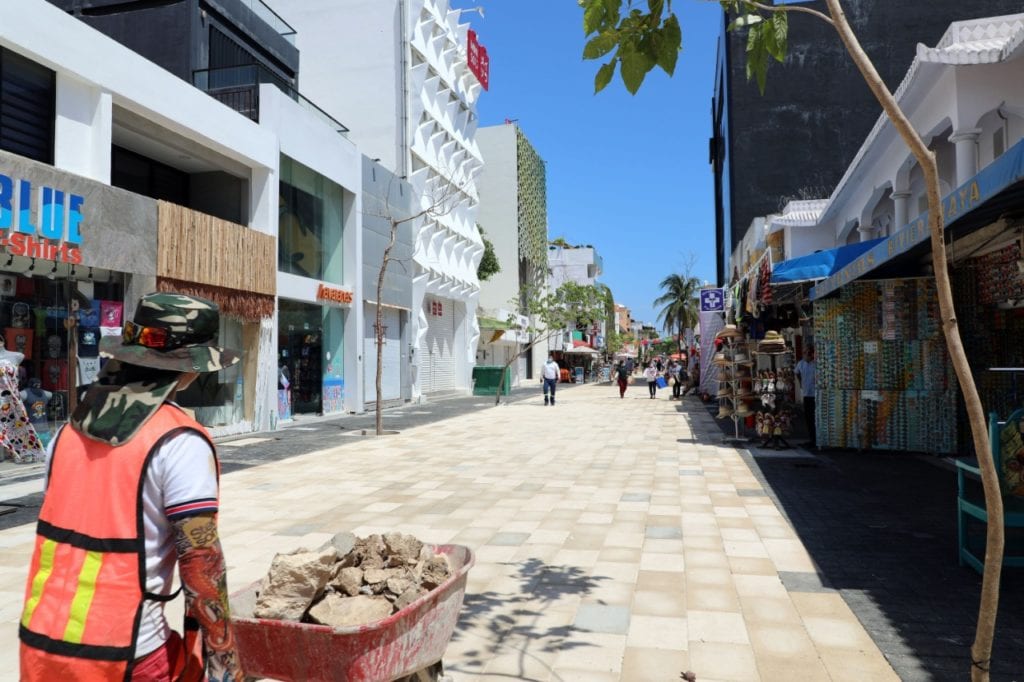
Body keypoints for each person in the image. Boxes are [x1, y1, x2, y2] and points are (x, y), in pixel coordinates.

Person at [20, 293, 247, 682]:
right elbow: (201, 565)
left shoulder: (67, 432)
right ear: (191, 369)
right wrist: (228, 667)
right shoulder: (180, 441)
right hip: (128, 654)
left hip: (41, 643)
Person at [795, 345, 817, 450]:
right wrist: (801, 384)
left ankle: (816, 438)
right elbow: (796, 373)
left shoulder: (816, 364)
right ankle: (811, 438)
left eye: (808, 353)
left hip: (815, 394)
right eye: (804, 353)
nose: (806, 355)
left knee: (815, 417)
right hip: (806, 394)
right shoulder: (801, 364)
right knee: (808, 417)